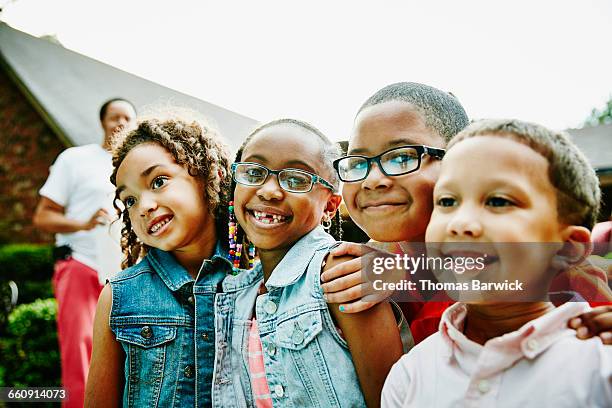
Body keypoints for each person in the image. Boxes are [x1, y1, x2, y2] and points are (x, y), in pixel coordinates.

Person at [321, 82, 612, 344]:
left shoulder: (538, 264)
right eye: (358, 161)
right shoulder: (363, 268)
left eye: (402, 157)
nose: (373, 180)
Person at [381, 119, 612, 407]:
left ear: (566, 247)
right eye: (447, 201)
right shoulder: (409, 376)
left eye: (499, 201)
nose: (460, 223)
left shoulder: (600, 363)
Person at [216, 119, 403, 407]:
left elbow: (391, 401)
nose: (269, 191)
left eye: (296, 180)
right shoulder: (236, 293)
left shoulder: (342, 274)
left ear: (330, 204)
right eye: (253, 172)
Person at [85, 111, 233, 407]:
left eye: (158, 181)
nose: (144, 207)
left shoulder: (257, 279)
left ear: (209, 174)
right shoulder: (119, 296)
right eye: (130, 200)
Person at [33, 98, 136, 408]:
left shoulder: (136, 166)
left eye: (127, 117)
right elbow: (42, 217)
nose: (121, 123)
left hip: (123, 274)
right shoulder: (75, 159)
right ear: (102, 121)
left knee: (122, 357)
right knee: (78, 352)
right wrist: (84, 222)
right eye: (114, 116)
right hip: (79, 264)